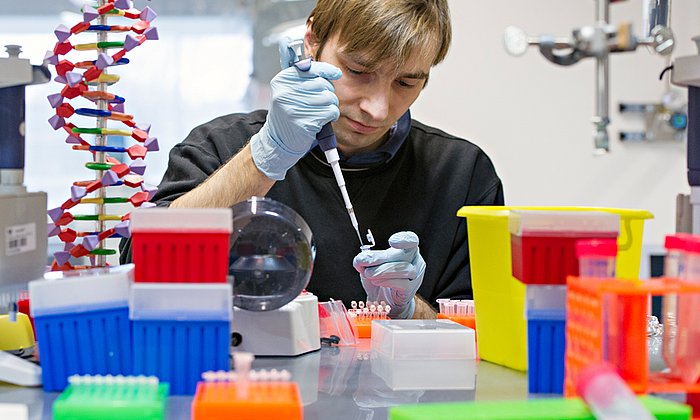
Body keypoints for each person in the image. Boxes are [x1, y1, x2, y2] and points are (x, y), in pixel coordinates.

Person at [120, 0, 504, 319]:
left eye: (406, 82)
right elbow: (141, 266)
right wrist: (264, 157)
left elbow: (480, 343)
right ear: (312, 41)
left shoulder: (463, 175)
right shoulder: (220, 146)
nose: (377, 108)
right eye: (359, 71)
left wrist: (406, 310)